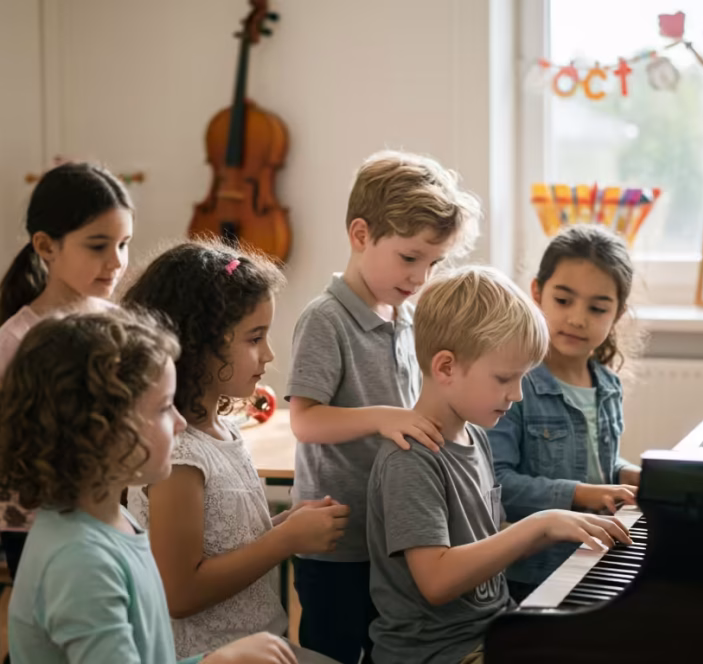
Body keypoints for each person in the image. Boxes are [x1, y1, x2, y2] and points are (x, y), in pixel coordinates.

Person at [367, 266, 632, 664]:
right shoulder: (410, 459)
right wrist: (535, 525)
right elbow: (436, 581)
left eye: (523, 378)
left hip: (493, 628)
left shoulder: (474, 439)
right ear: (445, 368)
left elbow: (486, 545)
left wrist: (561, 527)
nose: (518, 395)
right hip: (439, 653)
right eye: (506, 378)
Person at [1, 309, 298, 664]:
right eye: (163, 408)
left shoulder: (116, 519)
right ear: (100, 430)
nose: (180, 422)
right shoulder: (79, 563)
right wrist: (218, 662)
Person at [286, 150, 480, 663]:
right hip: (339, 541)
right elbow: (304, 421)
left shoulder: (407, 317)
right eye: (410, 258)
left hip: (392, 537)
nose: (420, 277)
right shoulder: (326, 319)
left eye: (434, 263)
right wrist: (382, 418)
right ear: (360, 235)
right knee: (336, 652)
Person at [124, 240, 349, 659]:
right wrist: (283, 542)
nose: (269, 354)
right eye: (254, 338)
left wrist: (283, 525)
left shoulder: (224, 430)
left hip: (263, 645)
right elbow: (181, 591)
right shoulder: (179, 454)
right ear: (196, 344)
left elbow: (225, 542)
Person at [488, 224, 643, 601]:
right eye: (563, 300)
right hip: (534, 574)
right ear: (538, 293)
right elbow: (496, 484)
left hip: (595, 556)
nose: (577, 318)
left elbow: (594, 459)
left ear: (617, 314)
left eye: (597, 308)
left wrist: (636, 476)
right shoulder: (514, 384)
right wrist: (582, 494)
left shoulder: (607, 384)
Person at [0, 161, 133, 578]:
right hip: (41, 529)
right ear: (46, 246)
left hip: (113, 513)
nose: (116, 262)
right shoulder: (16, 342)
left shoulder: (121, 324)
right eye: (98, 246)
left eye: (124, 244)